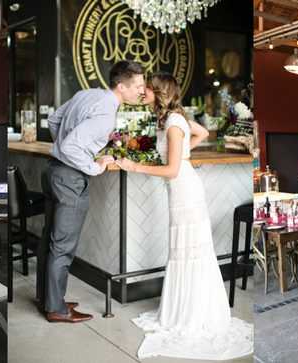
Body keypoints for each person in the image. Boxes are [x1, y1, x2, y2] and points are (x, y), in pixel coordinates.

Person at [114, 72, 254, 360]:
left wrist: (137, 167)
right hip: (179, 193)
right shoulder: (169, 119)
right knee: (183, 251)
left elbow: (173, 170)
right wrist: (179, 156)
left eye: (147, 89)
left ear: (159, 93)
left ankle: (192, 314)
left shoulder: (174, 123)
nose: (142, 93)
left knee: (189, 251)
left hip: (186, 193)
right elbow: (201, 134)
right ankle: (184, 309)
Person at [38, 60, 146, 323]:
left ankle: (47, 297)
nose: (142, 91)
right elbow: (72, 147)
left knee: (48, 239)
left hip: (52, 171)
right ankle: (56, 309)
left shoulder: (87, 94)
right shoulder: (106, 113)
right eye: (139, 86)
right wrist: (94, 167)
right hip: (70, 179)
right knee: (62, 246)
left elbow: (54, 120)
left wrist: (67, 151)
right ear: (122, 86)